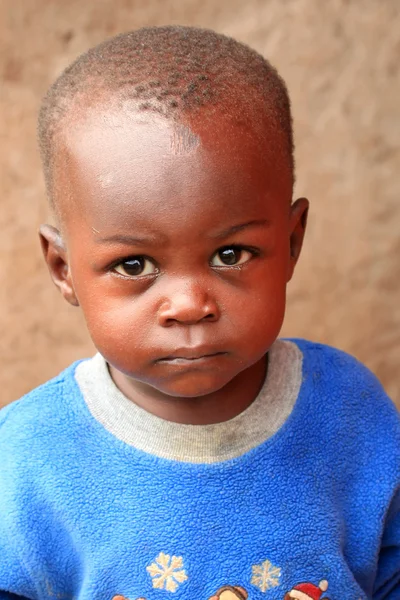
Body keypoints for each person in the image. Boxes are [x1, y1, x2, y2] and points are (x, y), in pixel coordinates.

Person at [0, 26, 398, 600]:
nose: (189, 304)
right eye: (134, 264)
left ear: (292, 243)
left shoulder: (352, 414)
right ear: (63, 268)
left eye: (230, 255)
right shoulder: (27, 459)